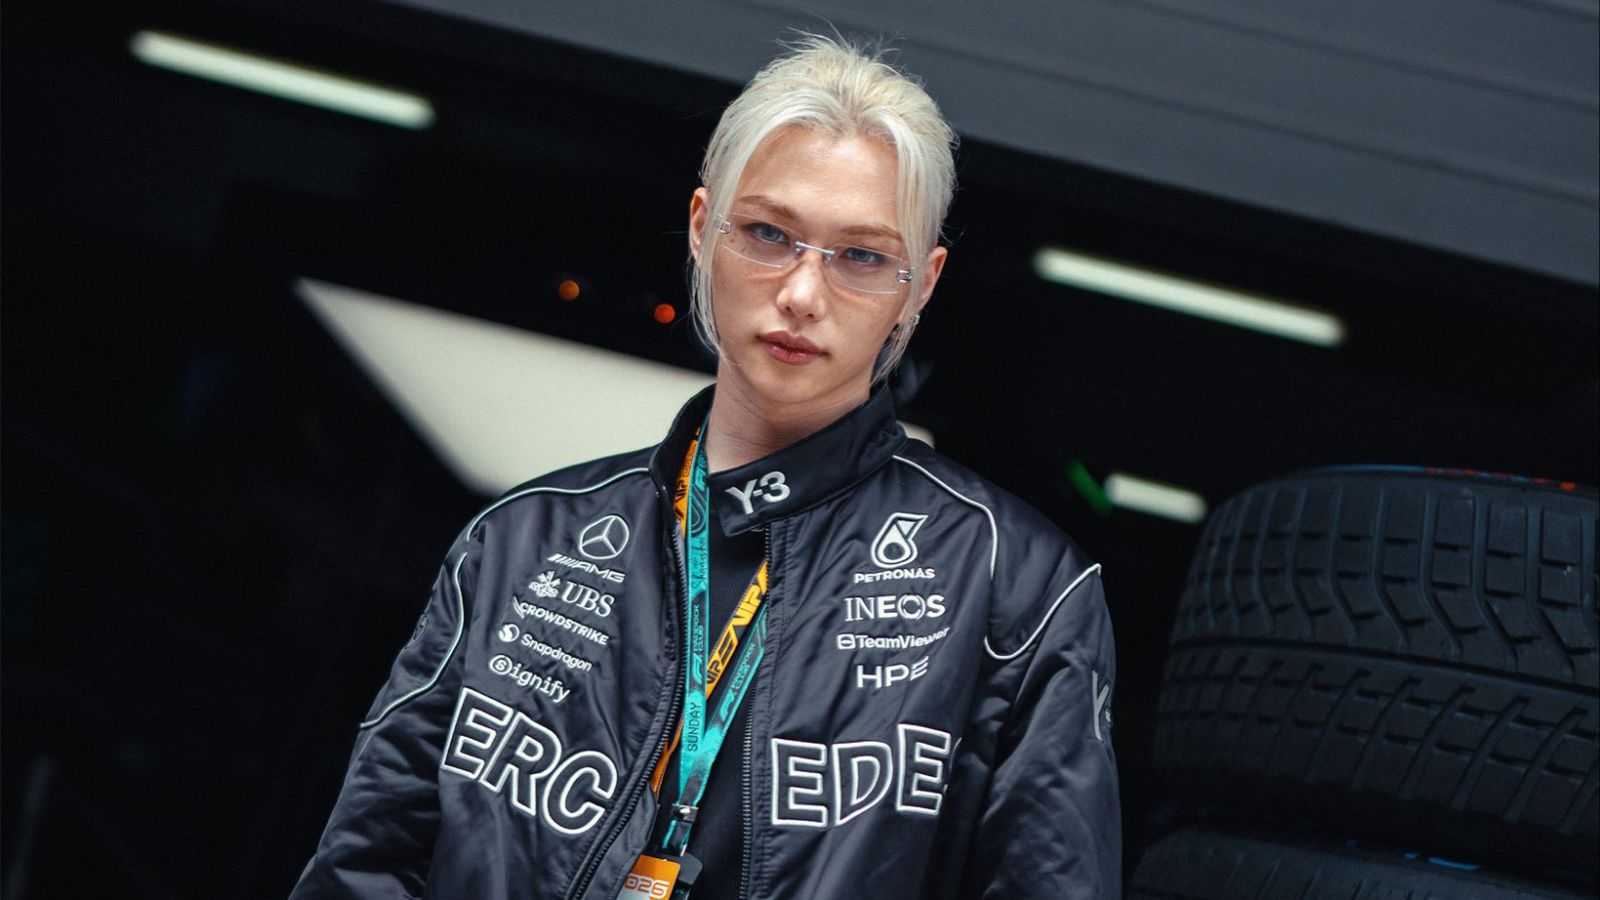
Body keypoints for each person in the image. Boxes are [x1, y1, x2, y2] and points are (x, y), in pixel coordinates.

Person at [290, 33, 1120, 900]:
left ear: (922, 284)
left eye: (862, 257)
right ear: (700, 229)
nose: (802, 294)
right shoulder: (521, 542)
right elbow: (364, 872)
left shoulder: (1015, 587)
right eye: (768, 234)